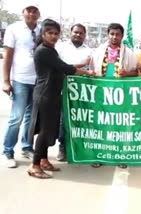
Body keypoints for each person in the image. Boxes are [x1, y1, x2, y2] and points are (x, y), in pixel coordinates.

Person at [27, 19, 95, 179]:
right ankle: (35, 165)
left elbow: (61, 66)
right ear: (43, 34)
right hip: (45, 95)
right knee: (44, 131)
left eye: (56, 33)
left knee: (49, 128)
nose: (54, 36)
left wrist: (81, 67)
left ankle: (43, 160)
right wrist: (86, 71)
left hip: (52, 94)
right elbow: (65, 68)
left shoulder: (51, 50)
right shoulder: (44, 51)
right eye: (50, 33)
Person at [90, 23, 137, 168]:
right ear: (108, 35)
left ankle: (120, 155)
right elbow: (92, 70)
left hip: (120, 95)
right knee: (101, 125)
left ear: (122, 36)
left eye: (117, 34)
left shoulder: (129, 53)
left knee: (119, 126)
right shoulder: (98, 52)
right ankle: (99, 155)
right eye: (112, 34)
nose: (114, 37)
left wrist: (126, 73)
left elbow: (135, 73)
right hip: (101, 94)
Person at [1, 3, 41, 168]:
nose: (31, 13)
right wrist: (5, 80)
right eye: (28, 10)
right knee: (16, 117)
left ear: (38, 14)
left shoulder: (41, 29)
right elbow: (8, 55)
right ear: (23, 12)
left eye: (34, 11)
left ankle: (26, 146)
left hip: (38, 81)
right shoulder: (13, 29)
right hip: (20, 80)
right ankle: (7, 150)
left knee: (30, 118)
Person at [55, 23, 92, 161]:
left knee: (81, 119)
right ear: (71, 33)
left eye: (81, 33)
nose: (78, 35)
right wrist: (81, 65)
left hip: (82, 91)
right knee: (63, 120)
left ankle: (79, 148)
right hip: (63, 88)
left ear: (84, 35)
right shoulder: (61, 47)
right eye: (75, 32)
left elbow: (90, 70)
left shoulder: (89, 51)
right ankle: (63, 147)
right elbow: (60, 67)